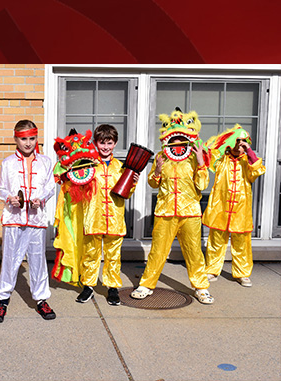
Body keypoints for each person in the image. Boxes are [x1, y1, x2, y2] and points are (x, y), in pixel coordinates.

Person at [131, 108, 214, 304]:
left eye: (181, 141)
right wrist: (158, 169)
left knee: (193, 251)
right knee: (158, 250)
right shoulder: (161, 156)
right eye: (173, 141)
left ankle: (201, 287)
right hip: (165, 211)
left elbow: (202, 185)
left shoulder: (195, 157)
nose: (177, 144)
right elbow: (153, 182)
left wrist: (201, 162)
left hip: (190, 213)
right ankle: (147, 284)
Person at [0, 120, 56, 323]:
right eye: (23, 139)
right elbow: (1, 188)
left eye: (32, 138)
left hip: (36, 219)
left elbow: (50, 187)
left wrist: (42, 198)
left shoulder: (46, 162)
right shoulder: (8, 162)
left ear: (37, 138)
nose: (28, 143)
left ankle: (41, 300)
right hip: (13, 218)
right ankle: (2, 300)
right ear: (16, 139)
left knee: (38, 261)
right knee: (10, 260)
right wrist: (9, 197)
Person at [76, 124, 139, 306]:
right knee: (90, 254)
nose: (105, 147)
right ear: (96, 143)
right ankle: (88, 286)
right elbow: (79, 187)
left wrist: (133, 183)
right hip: (92, 217)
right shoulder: (88, 165)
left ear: (115, 143)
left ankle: (112, 288)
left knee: (113, 255)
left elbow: (126, 192)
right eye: (102, 143)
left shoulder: (121, 167)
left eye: (109, 143)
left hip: (114, 218)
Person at [203, 125, 266, 287]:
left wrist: (249, 152)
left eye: (244, 142)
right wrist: (226, 140)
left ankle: (242, 273)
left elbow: (258, 170)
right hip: (220, 209)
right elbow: (209, 153)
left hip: (240, 211)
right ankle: (211, 269)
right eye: (238, 141)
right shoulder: (221, 160)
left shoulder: (248, 162)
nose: (241, 145)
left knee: (241, 244)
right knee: (216, 241)